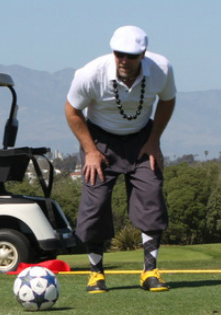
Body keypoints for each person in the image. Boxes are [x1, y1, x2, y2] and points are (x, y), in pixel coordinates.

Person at [64, 25, 177, 293]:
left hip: (142, 138)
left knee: (151, 196)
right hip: (100, 141)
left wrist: (154, 140)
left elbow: (168, 101)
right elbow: (72, 110)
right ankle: (96, 274)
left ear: (143, 54)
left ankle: (150, 272)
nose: (124, 60)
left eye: (131, 55)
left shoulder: (161, 68)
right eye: (119, 54)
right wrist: (90, 151)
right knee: (96, 203)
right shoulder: (90, 74)